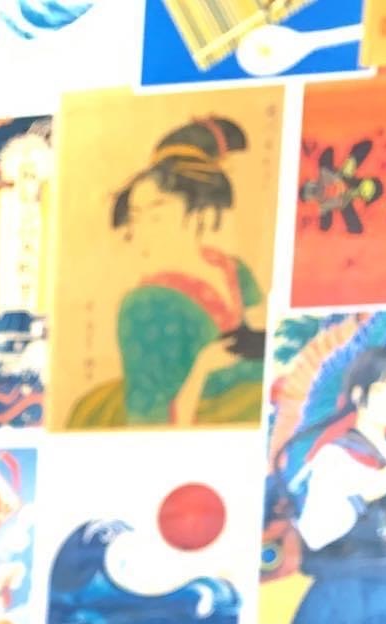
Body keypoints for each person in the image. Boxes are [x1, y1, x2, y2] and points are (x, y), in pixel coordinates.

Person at [68, 116, 266, 429]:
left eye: (157, 214)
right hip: (204, 418)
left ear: (198, 210)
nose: (143, 228)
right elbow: (149, 417)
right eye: (137, 216)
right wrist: (204, 366)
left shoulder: (232, 268)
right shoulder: (144, 305)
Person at [285, 347, 386, 624]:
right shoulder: (335, 456)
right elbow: (314, 533)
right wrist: (364, 496)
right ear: (359, 395)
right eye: (382, 390)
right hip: (344, 601)